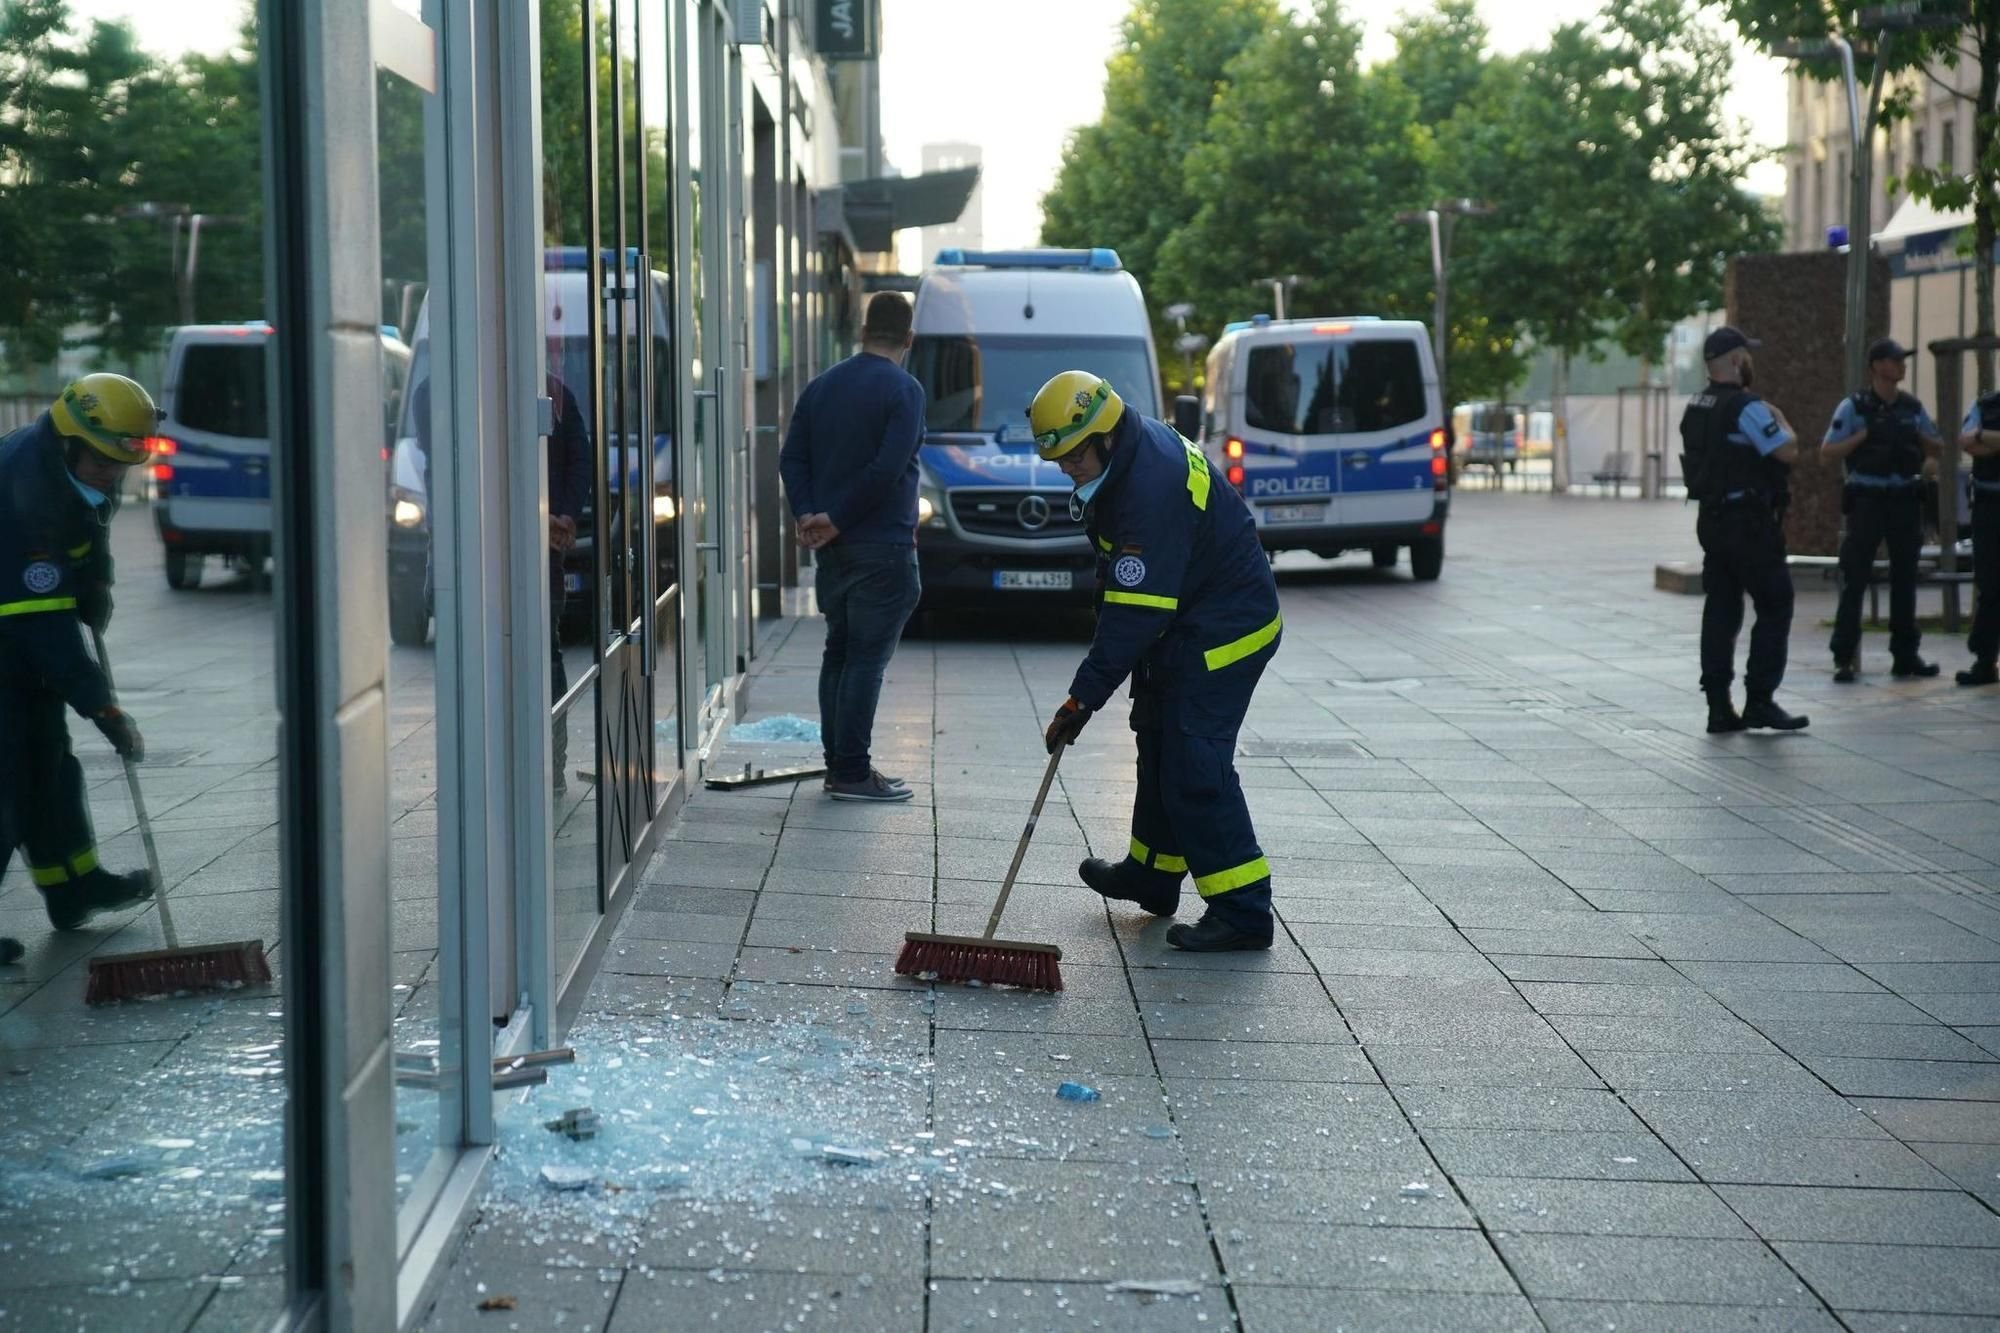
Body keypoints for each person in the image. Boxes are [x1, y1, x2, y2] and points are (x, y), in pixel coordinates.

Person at [1033, 370, 1283, 952]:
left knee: (1195, 766)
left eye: (1073, 455)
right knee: (1159, 742)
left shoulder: (1150, 489)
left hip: (1224, 631)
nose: (1067, 468)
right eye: (1058, 459)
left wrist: (1081, 699)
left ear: (1104, 435)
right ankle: (1152, 873)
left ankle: (1243, 912)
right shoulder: (1129, 451)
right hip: (1185, 617)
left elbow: (1134, 616)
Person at [0, 374, 158, 935]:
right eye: (103, 462)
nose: (112, 474)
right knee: (8, 784)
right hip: (13, 626)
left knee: (49, 769)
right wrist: (103, 708)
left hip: (20, 630)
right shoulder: (27, 490)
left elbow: (90, 532)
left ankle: (74, 886)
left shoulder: (81, 464)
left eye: (122, 464)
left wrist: (95, 583)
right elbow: (41, 626)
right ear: (70, 440)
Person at [779, 292, 926, 803]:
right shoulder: (904, 391)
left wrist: (809, 515)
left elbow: (791, 458)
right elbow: (887, 470)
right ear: (908, 339)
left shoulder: (821, 387)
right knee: (865, 661)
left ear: (862, 332)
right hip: (882, 549)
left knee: (838, 655)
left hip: (833, 555)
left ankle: (839, 765)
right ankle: (853, 773)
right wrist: (836, 520)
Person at [1679, 326, 1809, 734]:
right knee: (1775, 603)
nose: (1751, 360)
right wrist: (1782, 418)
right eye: (1746, 354)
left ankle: (1719, 707)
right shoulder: (1747, 407)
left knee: (1721, 608)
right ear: (1735, 360)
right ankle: (1760, 701)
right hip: (1748, 523)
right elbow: (1787, 450)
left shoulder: (1696, 405)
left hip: (1712, 521)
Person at [1824, 338, 1948, 681]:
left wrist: (1928, 449)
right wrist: (1860, 439)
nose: (1902, 365)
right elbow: (1828, 451)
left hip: (1905, 498)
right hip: (1867, 499)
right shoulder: (1854, 407)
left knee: (1905, 578)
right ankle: (1844, 657)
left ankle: (1906, 655)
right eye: (1896, 360)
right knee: (1856, 578)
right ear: (1877, 366)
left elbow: (1937, 443)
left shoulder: (1911, 406)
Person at [1957, 386, 2000, 687]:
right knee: (1989, 584)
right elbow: (1965, 442)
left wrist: (1985, 436)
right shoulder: (1985, 404)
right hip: (1988, 507)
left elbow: (1976, 440)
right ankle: (1985, 661)